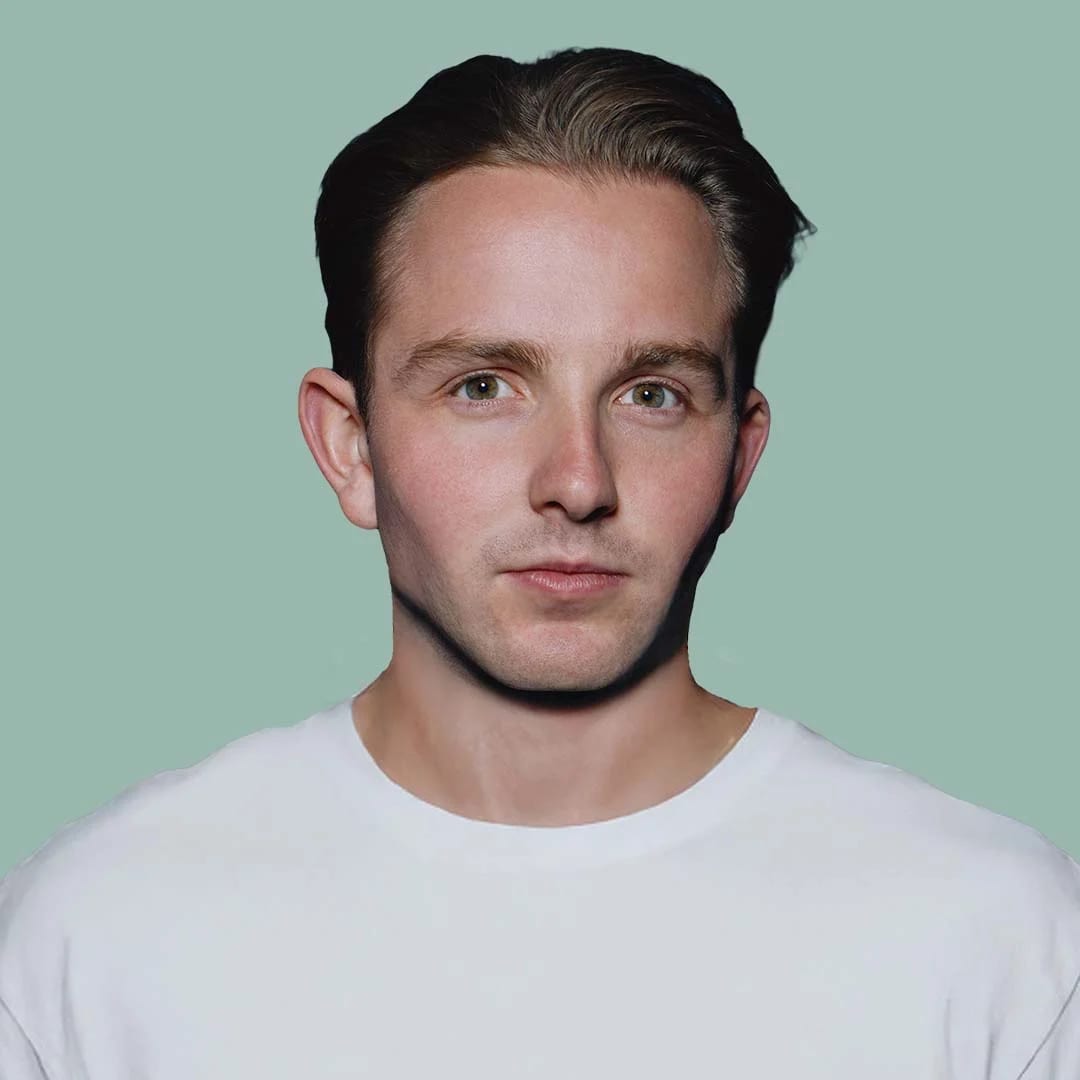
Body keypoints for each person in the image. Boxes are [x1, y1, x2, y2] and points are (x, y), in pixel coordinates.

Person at [1, 45, 1077, 1078]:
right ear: (351, 446)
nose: (577, 480)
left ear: (739, 456)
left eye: (652, 395)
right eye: (482, 387)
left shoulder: (996, 941)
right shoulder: (97, 936)